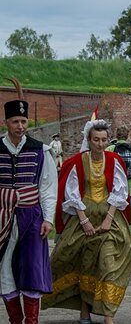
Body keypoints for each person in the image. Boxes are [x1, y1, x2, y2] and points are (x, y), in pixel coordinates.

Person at [42, 119, 131, 324]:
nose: (100, 144)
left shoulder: (114, 159)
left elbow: (120, 191)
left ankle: (108, 315)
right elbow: (71, 193)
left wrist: (109, 218)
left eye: (103, 140)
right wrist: (84, 221)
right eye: (96, 140)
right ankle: (84, 307)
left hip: (109, 217)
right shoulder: (77, 161)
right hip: (83, 215)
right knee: (82, 260)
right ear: (88, 140)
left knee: (109, 262)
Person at [0, 99, 58, 324]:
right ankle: (15, 320)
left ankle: (31, 321)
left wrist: (48, 219)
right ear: (6, 122)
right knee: (5, 270)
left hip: (32, 218)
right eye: (15, 121)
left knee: (32, 270)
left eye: (23, 121)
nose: (20, 126)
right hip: (3, 218)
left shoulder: (40, 150)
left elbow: (47, 188)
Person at [106, 126, 131, 199]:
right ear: (127, 136)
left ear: (116, 136)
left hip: (114, 185)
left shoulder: (109, 149)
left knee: (113, 210)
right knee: (128, 210)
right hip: (130, 187)